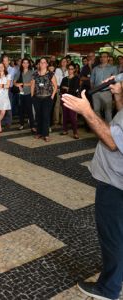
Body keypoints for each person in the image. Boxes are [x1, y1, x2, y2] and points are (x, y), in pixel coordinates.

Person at [62, 79, 123, 300]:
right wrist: (117, 96)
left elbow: (112, 140)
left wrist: (86, 111)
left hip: (116, 184)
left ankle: (109, 288)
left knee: (113, 236)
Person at [31, 57, 57, 142]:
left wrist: (52, 96)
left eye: (44, 62)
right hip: (37, 98)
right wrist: (32, 96)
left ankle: (46, 134)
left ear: (47, 64)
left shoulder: (50, 74)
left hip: (47, 98)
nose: (42, 64)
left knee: (46, 116)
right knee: (38, 116)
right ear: (39, 64)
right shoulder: (35, 74)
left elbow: (55, 86)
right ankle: (39, 133)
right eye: (41, 62)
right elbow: (32, 86)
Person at [91, 52, 118, 123]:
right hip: (96, 93)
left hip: (107, 92)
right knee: (96, 112)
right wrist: (93, 91)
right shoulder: (95, 68)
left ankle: (109, 130)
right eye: (101, 57)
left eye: (104, 56)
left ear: (108, 58)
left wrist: (113, 93)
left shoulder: (113, 68)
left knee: (108, 112)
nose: (102, 58)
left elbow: (115, 81)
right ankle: (99, 129)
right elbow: (91, 81)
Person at [13, 58, 36, 133]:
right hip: (21, 94)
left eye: (27, 63)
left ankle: (32, 126)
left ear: (29, 64)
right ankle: (21, 124)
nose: (25, 64)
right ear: (22, 64)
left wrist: (22, 84)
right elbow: (14, 82)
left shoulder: (32, 72)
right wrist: (18, 85)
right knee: (21, 110)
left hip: (29, 94)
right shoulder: (19, 72)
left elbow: (32, 83)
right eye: (24, 63)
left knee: (30, 111)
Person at [60, 63, 80, 139]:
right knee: (65, 115)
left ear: (74, 70)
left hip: (72, 99)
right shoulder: (64, 79)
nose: (70, 70)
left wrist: (67, 88)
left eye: (72, 69)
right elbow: (61, 88)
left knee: (72, 116)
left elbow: (75, 89)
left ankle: (75, 132)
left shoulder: (76, 78)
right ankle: (65, 130)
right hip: (64, 98)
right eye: (69, 69)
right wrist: (66, 89)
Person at [54, 57, 68, 126]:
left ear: (67, 63)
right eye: (62, 61)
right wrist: (58, 87)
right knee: (57, 105)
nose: (64, 63)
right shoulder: (57, 70)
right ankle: (56, 120)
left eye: (65, 61)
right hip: (59, 89)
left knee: (64, 105)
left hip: (66, 90)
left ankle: (63, 120)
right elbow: (56, 80)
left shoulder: (68, 70)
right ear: (60, 63)